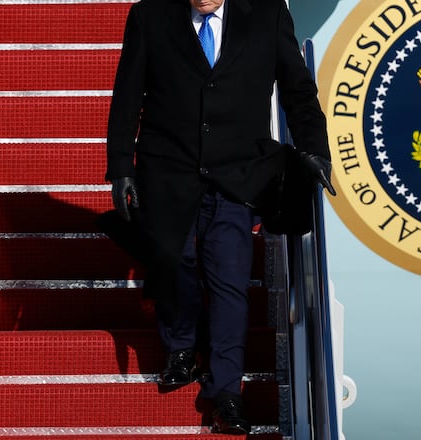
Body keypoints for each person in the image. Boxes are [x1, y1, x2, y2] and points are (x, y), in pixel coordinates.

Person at [105, 0, 334, 434]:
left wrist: (313, 148)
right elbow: (128, 93)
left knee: (229, 278)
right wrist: (120, 167)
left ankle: (227, 390)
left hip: (238, 172)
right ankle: (181, 347)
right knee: (174, 261)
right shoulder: (150, 16)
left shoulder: (266, 14)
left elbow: (297, 90)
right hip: (168, 168)